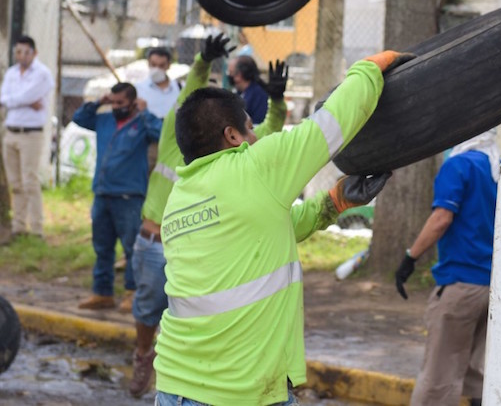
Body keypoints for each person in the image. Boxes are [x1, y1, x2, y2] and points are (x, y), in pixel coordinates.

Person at [153, 51, 408, 406]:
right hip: (238, 392)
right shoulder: (254, 166)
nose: (256, 135)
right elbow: (332, 123)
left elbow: (268, 228)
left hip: (176, 387)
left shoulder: (181, 197)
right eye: (250, 127)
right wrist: (369, 68)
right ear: (232, 136)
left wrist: (332, 203)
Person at [129, 34, 265, 396]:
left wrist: (278, 102)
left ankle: (180, 376)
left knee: (187, 318)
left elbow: (264, 135)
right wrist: (202, 60)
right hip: (152, 242)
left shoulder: (224, 159)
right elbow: (187, 94)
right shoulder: (176, 140)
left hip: (192, 248)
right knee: (146, 311)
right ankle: (144, 354)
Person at [394, 129, 501, 406]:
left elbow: (441, 218)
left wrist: (411, 258)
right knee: (479, 375)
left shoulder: (458, 165)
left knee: (439, 377)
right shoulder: (496, 168)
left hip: (460, 285)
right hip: (493, 286)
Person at [71, 82, 162, 312]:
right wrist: (99, 102)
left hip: (128, 196)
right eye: (114, 102)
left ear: (132, 102)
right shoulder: (104, 120)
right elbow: (79, 118)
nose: (116, 106)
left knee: (132, 247)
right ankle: (102, 293)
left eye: (121, 103)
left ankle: (132, 292)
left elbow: (160, 132)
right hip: (102, 193)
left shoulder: (141, 123)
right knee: (102, 246)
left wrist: (145, 112)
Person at [0, 35, 55, 239]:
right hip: (11, 132)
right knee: (15, 183)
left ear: (34, 53)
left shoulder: (43, 74)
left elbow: (23, 97)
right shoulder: (11, 73)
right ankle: (18, 227)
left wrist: (17, 100)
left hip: (31, 133)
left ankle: (37, 228)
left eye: (25, 52)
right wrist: (22, 101)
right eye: (18, 52)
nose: (21, 56)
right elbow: (4, 98)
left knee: (30, 181)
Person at [134, 47, 180, 119]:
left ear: (168, 65)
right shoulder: (138, 89)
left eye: (161, 65)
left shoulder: (180, 88)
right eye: (153, 65)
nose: (157, 69)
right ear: (148, 64)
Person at [227, 54, 269, 124]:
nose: (228, 75)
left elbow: (258, 122)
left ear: (239, 75)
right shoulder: (240, 92)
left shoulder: (259, 94)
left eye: (230, 72)